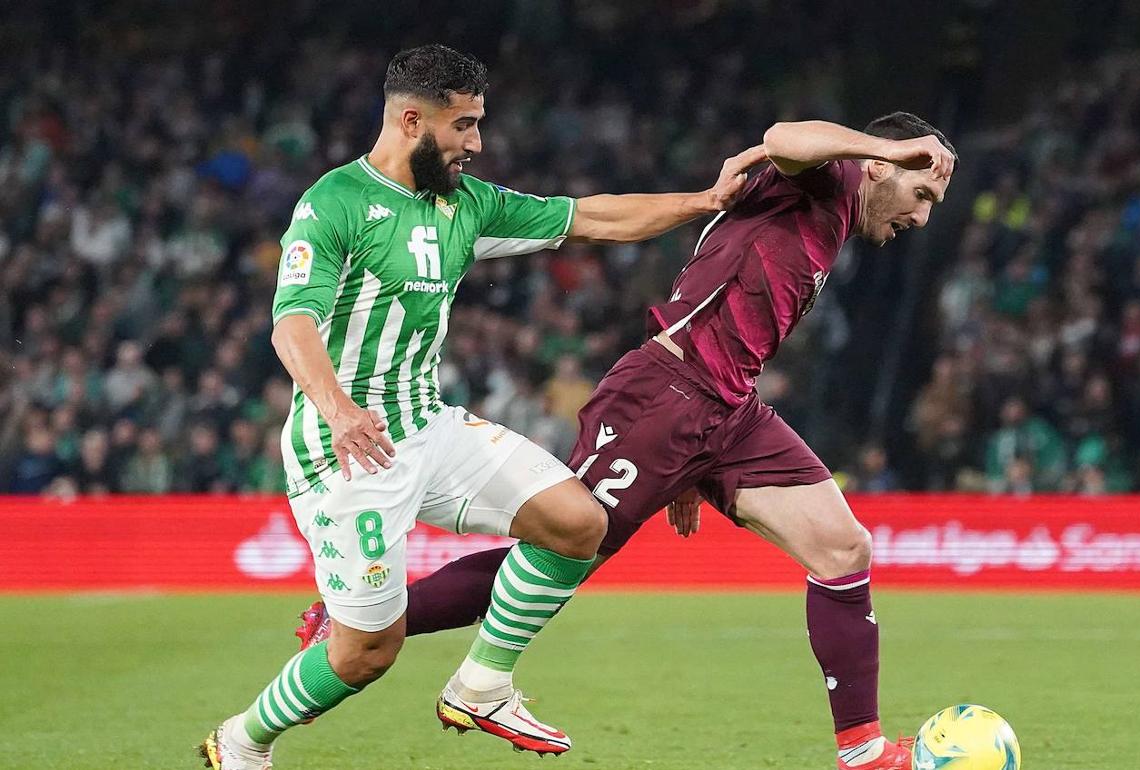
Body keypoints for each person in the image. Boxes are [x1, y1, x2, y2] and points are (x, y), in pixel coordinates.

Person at [296, 112, 956, 769]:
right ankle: (359, 622)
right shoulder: (825, 176)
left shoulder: (835, 210)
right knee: (564, 548)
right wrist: (894, 146)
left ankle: (864, 751)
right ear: (880, 166)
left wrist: (698, 468)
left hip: (730, 408)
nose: (921, 218)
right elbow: (782, 138)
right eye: (921, 194)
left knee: (843, 548)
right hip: (664, 398)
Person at [201, 43, 756, 770]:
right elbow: (292, 321)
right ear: (411, 120)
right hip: (346, 451)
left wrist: (704, 203)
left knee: (578, 521)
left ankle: (483, 682)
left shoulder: (468, 206)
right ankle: (243, 741)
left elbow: (593, 218)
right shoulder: (334, 203)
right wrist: (338, 409)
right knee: (366, 652)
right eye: (463, 125)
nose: (477, 143)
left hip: (426, 425)